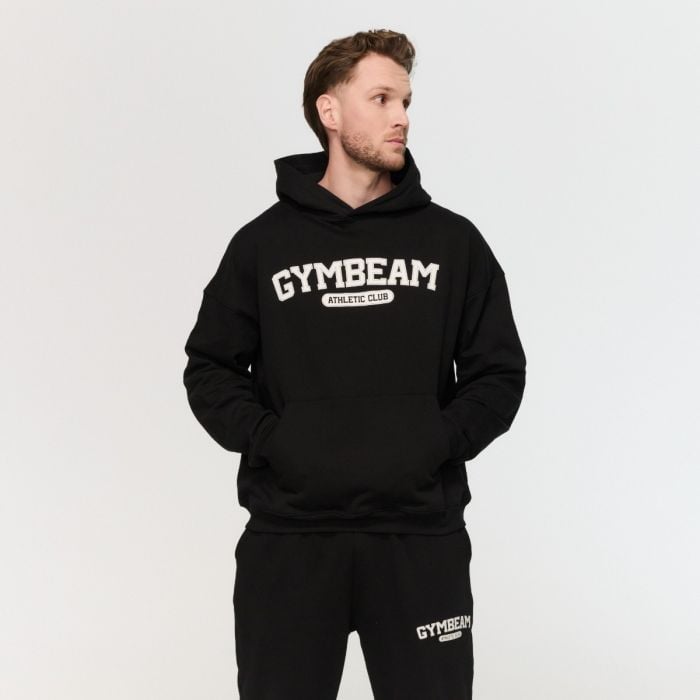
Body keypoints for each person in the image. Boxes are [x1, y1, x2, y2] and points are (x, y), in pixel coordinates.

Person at [182, 28, 526, 700]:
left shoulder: (453, 243)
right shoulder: (262, 246)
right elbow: (210, 368)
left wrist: (433, 441)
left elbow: (498, 374)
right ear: (329, 111)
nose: (402, 117)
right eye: (382, 98)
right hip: (290, 539)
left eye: (406, 101)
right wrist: (277, 441)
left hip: (419, 537)